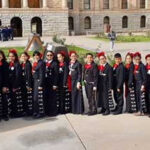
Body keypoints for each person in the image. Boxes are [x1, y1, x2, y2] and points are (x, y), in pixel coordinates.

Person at [8, 49, 24, 117]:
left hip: (15, 85)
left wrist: (15, 86)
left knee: (15, 100)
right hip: (10, 85)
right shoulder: (10, 64)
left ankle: (16, 113)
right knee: (12, 99)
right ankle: (13, 112)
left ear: (15, 57)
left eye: (12, 56)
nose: (11, 57)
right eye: (10, 56)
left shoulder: (17, 64)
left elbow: (18, 76)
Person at [44, 51, 59, 116]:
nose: (49, 56)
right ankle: (47, 111)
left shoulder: (55, 63)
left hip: (52, 83)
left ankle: (53, 112)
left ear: (53, 56)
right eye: (48, 55)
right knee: (47, 97)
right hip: (46, 83)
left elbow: (56, 75)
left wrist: (55, 84)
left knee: (52, 98)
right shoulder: (45, 63)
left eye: (50, 55)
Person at [32, 51, 45, 119]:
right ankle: (36, 111)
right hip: (35, 81)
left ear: (40, 56)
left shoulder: (41, 63)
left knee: (38, 98)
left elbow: (42, 74)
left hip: (39, 81)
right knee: (35, 98)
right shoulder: (35, 62)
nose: (36, 56)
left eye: (37, 55)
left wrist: (40, 84)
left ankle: (40, 113)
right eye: (34, 55)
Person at [20, 52, 33, 116]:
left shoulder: (28, 64)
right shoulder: (22, 63)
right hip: (22, 83)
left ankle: (28, 111)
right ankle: (25, 110)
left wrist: (28, 84)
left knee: (27, 98)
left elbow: (29, 75)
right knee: (24, 97)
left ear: (27, 57)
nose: (23, 57)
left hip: (26, 83)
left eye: (24, 56)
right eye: (22, 56)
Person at [0, 50, 9, 121]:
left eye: (1, 55)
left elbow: (6, 76)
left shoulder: (5, 64)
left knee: (4, 100)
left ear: (3, 56)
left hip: (3, 85)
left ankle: (5, 114)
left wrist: (5, 86)